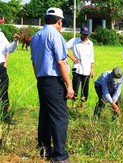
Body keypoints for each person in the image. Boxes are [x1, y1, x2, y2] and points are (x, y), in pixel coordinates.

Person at [30, 7, 74, 163]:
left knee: (45, 116)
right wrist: (69, 85)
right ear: (59, 21)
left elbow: (34, 62)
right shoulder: (55, 35)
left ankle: (44, 150)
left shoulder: (36, 36)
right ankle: (60, 155)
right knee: (59, 117)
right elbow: (61, 62)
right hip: (54, 81)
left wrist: (39, 79)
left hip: (42, 80)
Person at [67, 25, 94, 109]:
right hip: (77, 67)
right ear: (80, 33)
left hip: (87, 69)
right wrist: (72, 57)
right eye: (84, 34)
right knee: (75, 86)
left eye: (87, 35)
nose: (86, 36)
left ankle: (83, 103)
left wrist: (92, 69)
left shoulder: (90, 43)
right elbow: (63, 48)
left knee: (85, 87)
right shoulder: (74, 41)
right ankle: (74, 103)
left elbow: (91, 57)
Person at [0, 27, 20, 125]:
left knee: (4, 91)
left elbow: (9, 49)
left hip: (1, 67)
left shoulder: (1, 35)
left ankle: (5, 116)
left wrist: (15, 41)